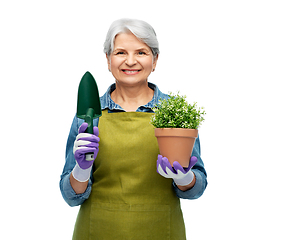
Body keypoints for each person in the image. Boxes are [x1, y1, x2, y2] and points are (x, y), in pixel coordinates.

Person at [60, 18, 207, 240]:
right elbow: (71, 197)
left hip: (160, 231)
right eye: (120, 53)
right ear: (108, 60)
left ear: (155, 60)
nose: (130, 61)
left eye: (141, 52)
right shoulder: (90, 115)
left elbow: (197, 188)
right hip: (98, 230)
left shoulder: (174, 113)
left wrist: (184, 178)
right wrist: (81, 170)